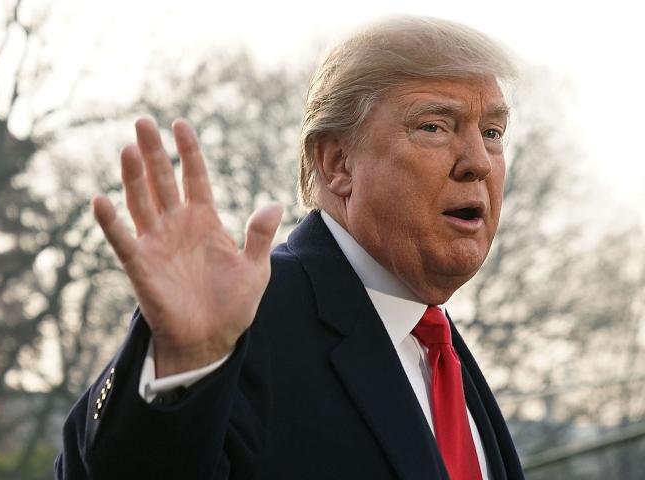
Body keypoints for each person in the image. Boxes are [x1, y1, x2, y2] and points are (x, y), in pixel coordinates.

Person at [56, 15, 525, 480]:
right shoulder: (241, 315)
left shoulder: (436, 346)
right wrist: (183, 365)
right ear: (337, 162)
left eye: (492, 132)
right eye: (434, 126)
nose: (479, 163)